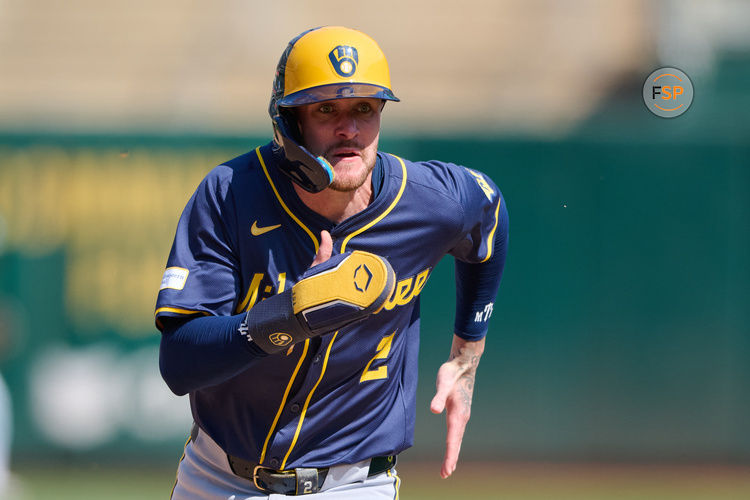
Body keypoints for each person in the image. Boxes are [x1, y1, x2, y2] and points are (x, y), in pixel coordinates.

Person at [156, 26, 508, 499]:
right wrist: (288, 316)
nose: (350, 129)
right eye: (326, 109)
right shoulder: (231, 193)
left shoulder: (428, 200)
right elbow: (180, 362)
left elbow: (490, 211)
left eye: (364, 108)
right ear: (289, 122)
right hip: (221, 479)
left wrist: (468, 353)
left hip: (354, 484)